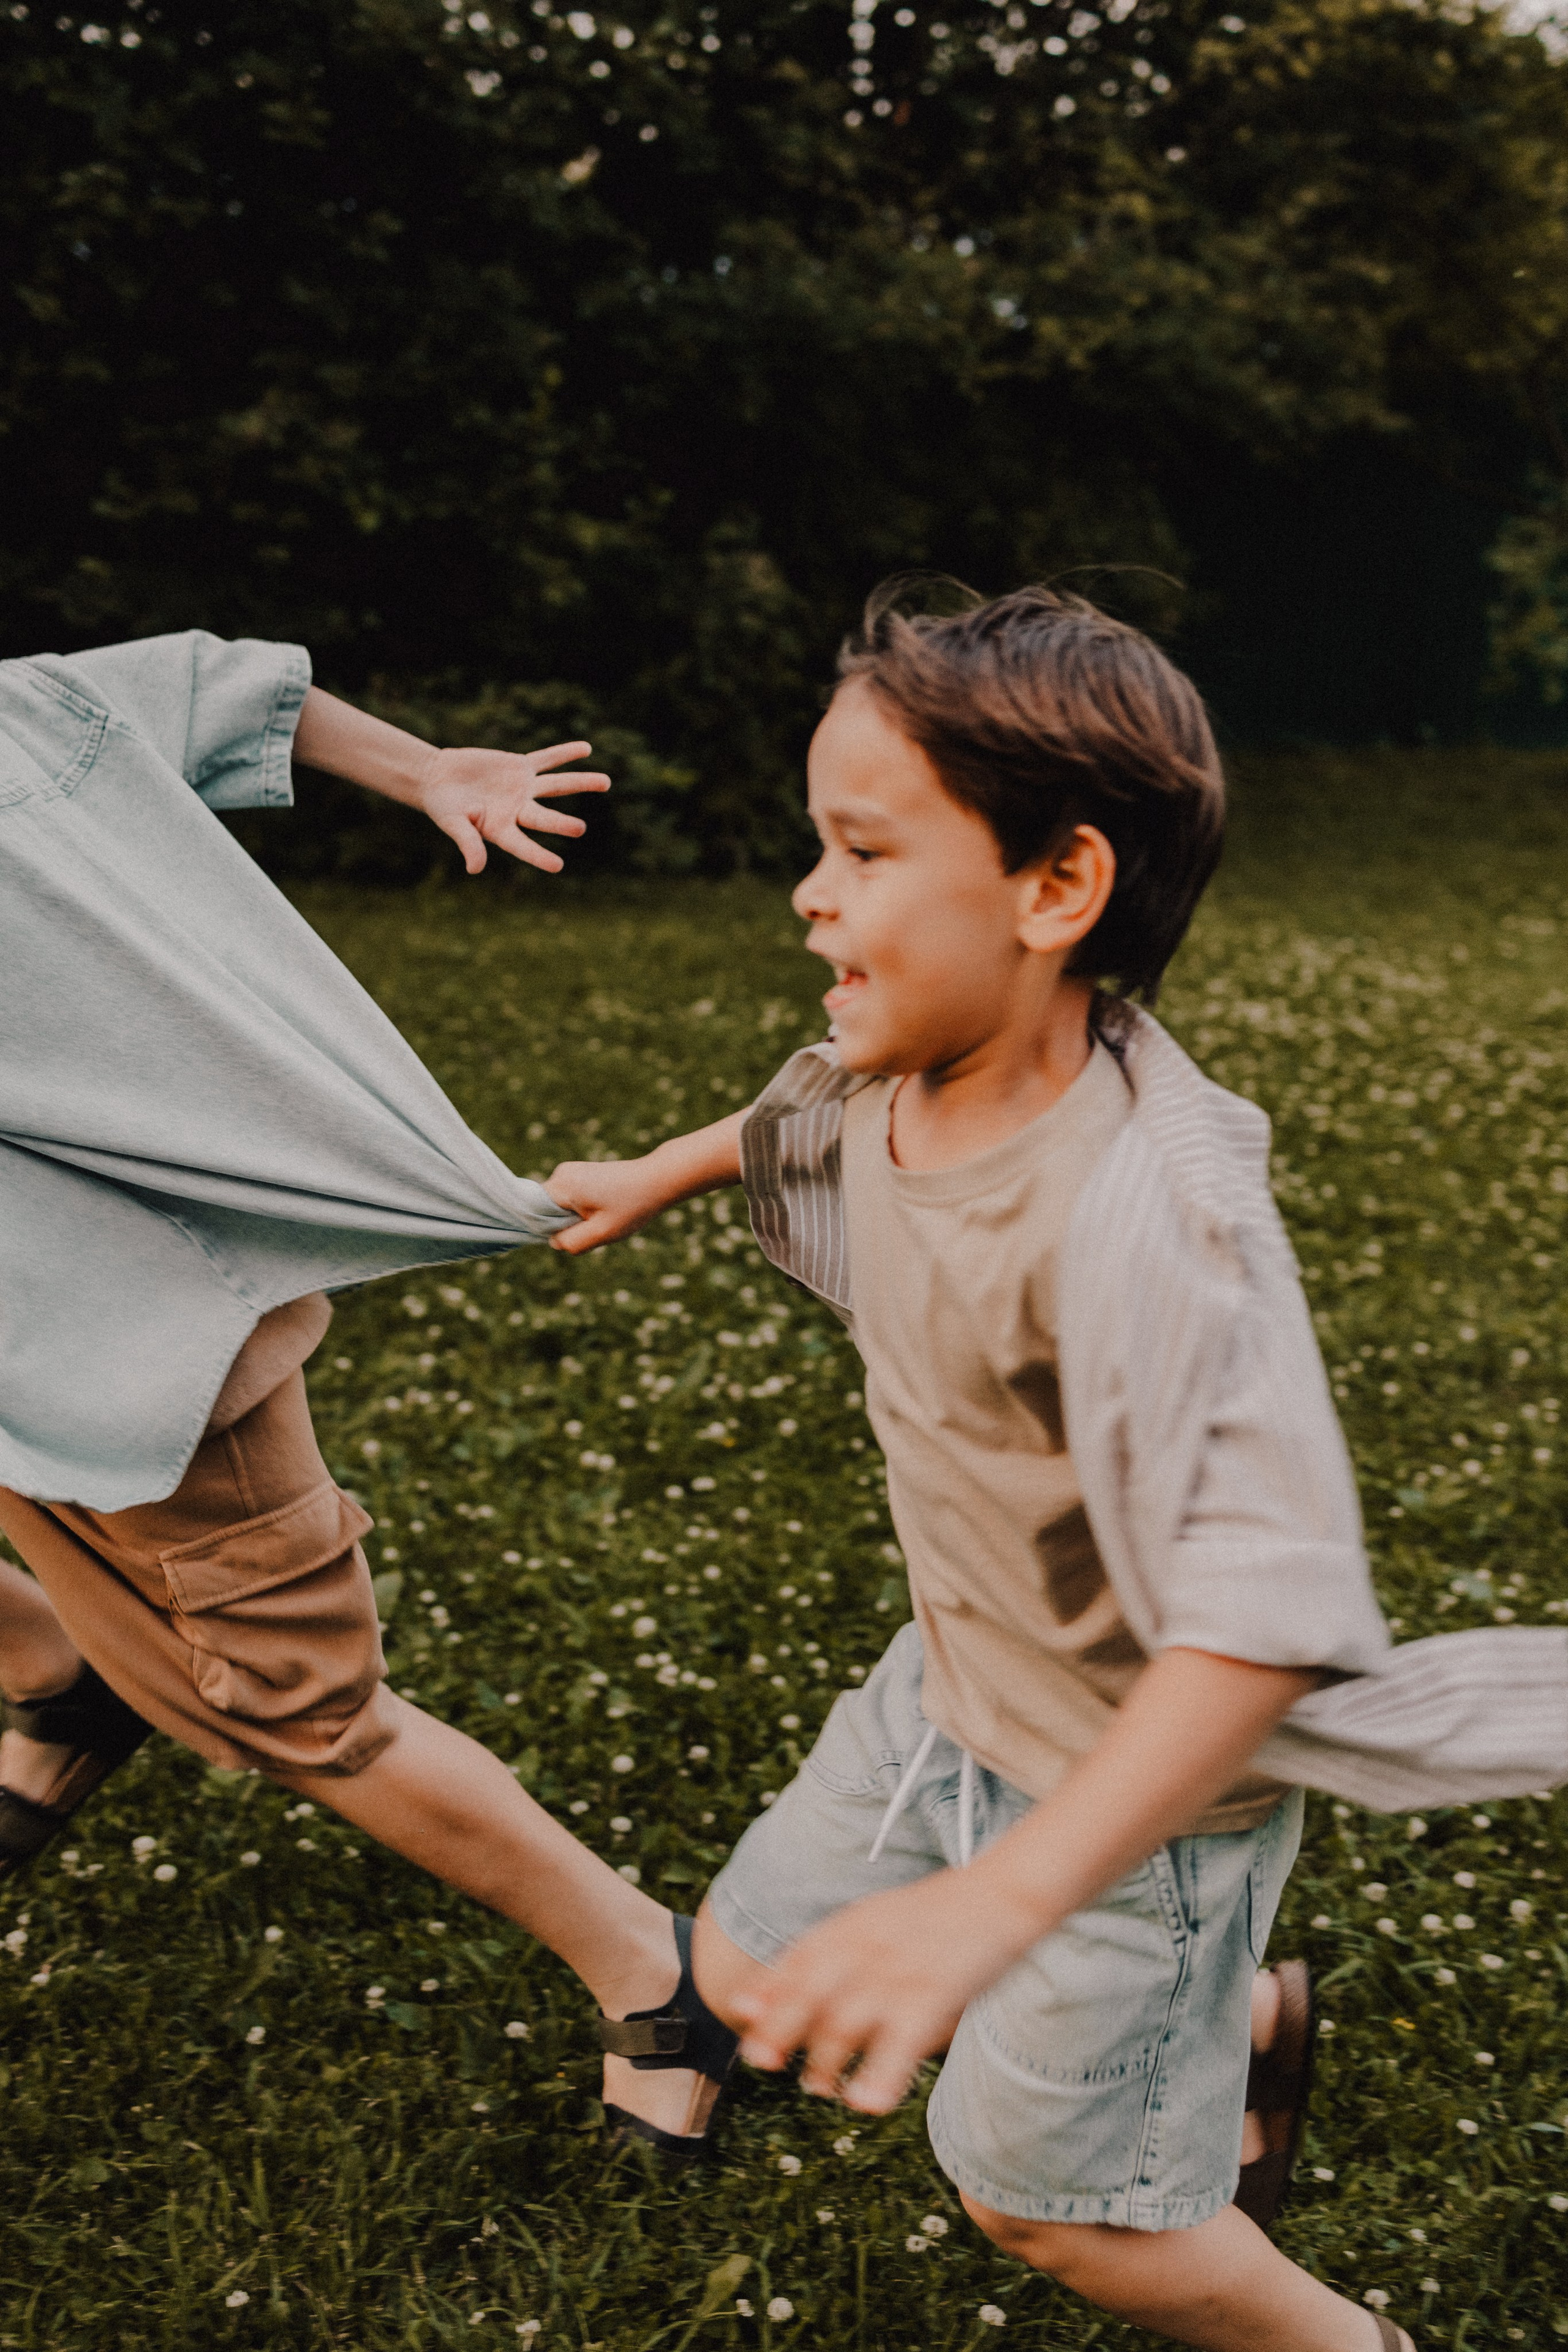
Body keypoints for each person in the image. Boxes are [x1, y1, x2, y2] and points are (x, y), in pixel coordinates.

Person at [547, 584, 1568, 2347]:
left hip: (1132, 1808)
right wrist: (658, 1170)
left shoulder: (1158, 1222)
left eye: (862, 851)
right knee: (738, 1970)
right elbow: (799, 1115)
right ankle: (1235, 2029)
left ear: (1055, 888)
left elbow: (1254, 1632)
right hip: (951, 1690)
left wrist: (999, 1900)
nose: (811, 893)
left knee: (1045, 2200)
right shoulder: (905, 1065)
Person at [0, 628, 731, 2152]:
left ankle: (652, 1969)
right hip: (19, 1379)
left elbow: (197, 685)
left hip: (156, 1362)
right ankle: (55, 1675)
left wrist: (426, 772)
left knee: (301, 1710)